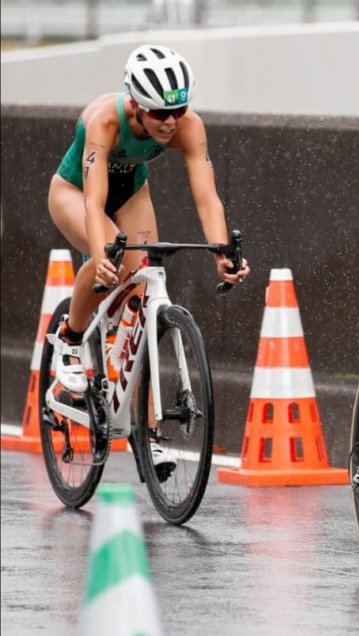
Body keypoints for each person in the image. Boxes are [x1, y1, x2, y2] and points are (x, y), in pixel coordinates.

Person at [48, 45, 250, 472]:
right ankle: (70, 338)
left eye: (178, 109)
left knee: (145, 292)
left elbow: (207, 198)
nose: (170, 121)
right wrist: (102, 254)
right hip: (76, 192)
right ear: (136, 105)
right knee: (112, 260)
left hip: (131, 193)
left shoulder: (188, 127)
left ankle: (149, 432)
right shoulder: (104, 120)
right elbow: (94, 202)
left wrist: (222, 253)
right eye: (160, 113)